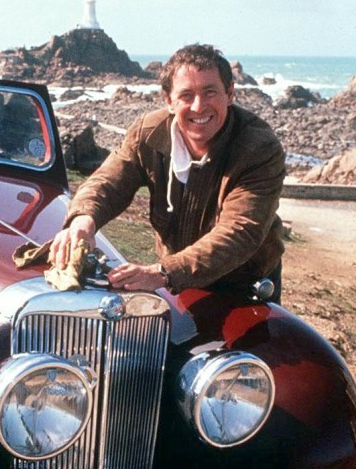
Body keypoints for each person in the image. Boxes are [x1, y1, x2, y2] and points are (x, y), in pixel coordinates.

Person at [49, 43, 286, 301]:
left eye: (210, 92)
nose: (198, 106)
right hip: (176, 281)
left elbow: (240, 231)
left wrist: (164, 272)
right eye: (186, 95)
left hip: (243, 286)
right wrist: (83, 219)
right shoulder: (148, 133)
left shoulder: (259, 149)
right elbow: (109, 181)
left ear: (230, 94)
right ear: (169, 101)